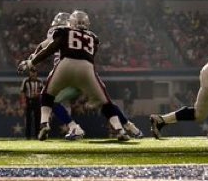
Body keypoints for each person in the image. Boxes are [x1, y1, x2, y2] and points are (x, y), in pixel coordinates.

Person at [17, 9, 133, 142]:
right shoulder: (93, 37)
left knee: (47, 95)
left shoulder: (62, 32)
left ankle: (45, 124)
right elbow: (91, 55)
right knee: (105, 102)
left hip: (64, 67)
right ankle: (120, 129)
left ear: (70, 23)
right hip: (87, 69)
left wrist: (31, 61)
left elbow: (47, 48)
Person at [19, 66, 42, 139]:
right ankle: (27, 136)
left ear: (36, 73)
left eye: (34, 72)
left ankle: (37, 135)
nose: (33, 74)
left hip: (37, 101)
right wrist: (23, 102)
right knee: (28, 119)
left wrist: (38, 94)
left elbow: (42, 92)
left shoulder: (39, 81)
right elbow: (22, 92)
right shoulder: (26, 81)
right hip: (28, 100)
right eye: (32, 72)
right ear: (29, 73)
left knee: (37, 118)